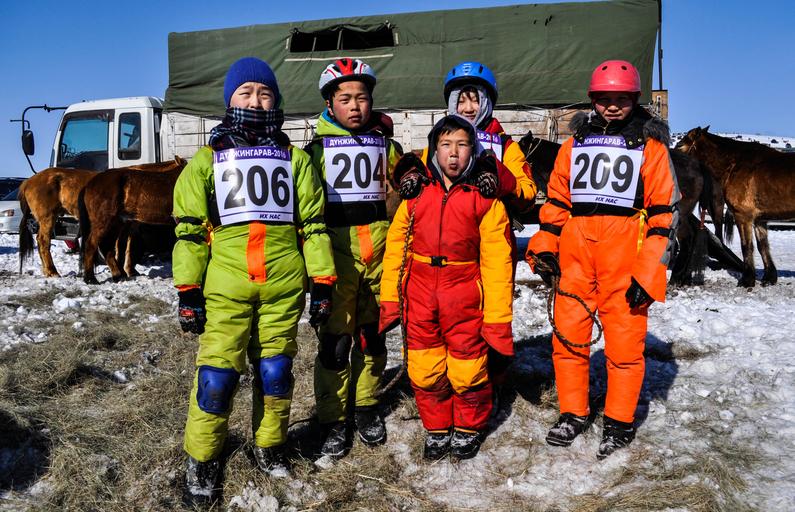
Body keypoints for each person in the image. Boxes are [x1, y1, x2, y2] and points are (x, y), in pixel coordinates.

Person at [173, 57, 336, 505]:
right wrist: (188, 290)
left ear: (276, 101)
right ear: (229, 101)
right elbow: (189, 231)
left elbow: (313, 226)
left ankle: (270, 446)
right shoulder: (206, 161)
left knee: (275, 372)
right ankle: (203, 458)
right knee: (217, 379)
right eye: (245, 92)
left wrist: (322, 281)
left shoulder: (295, 160)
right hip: (226, 287)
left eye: (265, 94)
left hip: (283, 287)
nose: (255, 101)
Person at [525, 60, 679, 459]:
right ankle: (573, 412)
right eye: (604, 98)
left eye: (621, 99)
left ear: (635, 99)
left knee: (625, 347)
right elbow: (557, 202)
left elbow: (663, 216)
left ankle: (619, 421)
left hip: (625, 257)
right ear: (593, 99)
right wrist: (546, 244)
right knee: (568, 339)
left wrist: (649, 271)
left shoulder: (650, 147)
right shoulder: (573, 145)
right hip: (576, 255)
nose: (612, 106)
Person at [380, 115, 514, 460]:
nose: (453, 153)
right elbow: (396, 249)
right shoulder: (416, 195)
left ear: (473, 150)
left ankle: (468, 427)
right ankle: (437, 427)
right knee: (425, 368)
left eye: (462, 145)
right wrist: (391, 298)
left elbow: (498, 263)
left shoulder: (486, 200)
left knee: (468, 369)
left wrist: (498, 318)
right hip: (420, 293)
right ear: (434, 150)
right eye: (445, 145)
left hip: (465, 294)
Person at [303, 58, 402, 458]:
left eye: (362, 98)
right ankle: (331, 416)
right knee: (335, 342)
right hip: (337, 260)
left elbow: (405, 196)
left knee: (372, 337)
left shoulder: (388, 147)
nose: (356, 106)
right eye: (345, 99)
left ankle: (365, 404)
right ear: (329, 104)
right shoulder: (314, 153)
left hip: (379, 257)